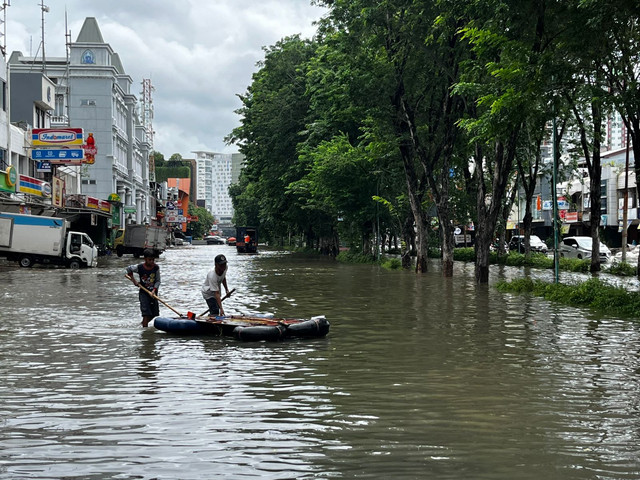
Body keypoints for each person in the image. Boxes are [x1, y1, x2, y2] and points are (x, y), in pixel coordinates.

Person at [125, 249, 161, 327]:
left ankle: (142, 324)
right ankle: (145, 331)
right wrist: (134, 280)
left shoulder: (156, 268)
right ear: (145, 259)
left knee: (154, 313)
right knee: (146, 313)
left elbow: (158, 281)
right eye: (150, 260)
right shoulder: (140, 267)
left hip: (153, 293)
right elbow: (128, 269)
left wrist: (154, 290)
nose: (152, 262)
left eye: (153, 260)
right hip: (144, 293)